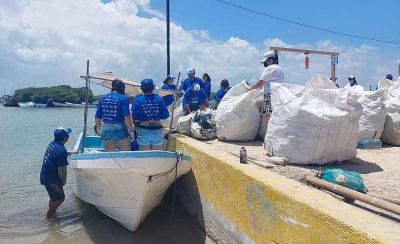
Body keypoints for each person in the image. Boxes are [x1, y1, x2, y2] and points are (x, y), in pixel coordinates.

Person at [40, 127, 75, 219]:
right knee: (60, 198)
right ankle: (49, 217)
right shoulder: (61, 151)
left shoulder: (52, 143)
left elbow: (55, 154)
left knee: (53, 197)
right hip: (51, 179)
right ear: (66, 138)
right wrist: (63, 182)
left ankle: (53, 214)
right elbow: (62, 170)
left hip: (45, 174)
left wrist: (69, 152)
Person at [95, 79, 134, 151]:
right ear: (123, 89)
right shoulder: (124, 98)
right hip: (119, 128)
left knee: (110, 155)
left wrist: (98, 128)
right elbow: (126, 116)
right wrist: (131, 131)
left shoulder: (102, 98)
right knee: (125, 153)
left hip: (106, 128)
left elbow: (97, 116)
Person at [132, 79, 170, 150]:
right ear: (153, 88)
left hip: (143, 128)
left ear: (142, 89)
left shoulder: (137, 100)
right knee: (156, 154)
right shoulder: (159, 99)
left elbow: (135, 117)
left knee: (145, 155)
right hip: (157, 128)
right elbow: (165, 116)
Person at [248, 51, 284, 124]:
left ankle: (268, 134)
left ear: (270, 60)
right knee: (274, 116)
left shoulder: (270, 68)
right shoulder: (280, 69)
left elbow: (260, 83)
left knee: (267, 116)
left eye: (266, 61)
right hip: (277, 94)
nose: (265, 64)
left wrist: (250, 88)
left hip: (269, 95)